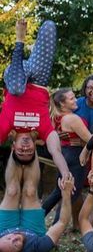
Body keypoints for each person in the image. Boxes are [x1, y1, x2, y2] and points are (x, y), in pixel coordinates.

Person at [1, 19, 72, 181]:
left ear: (13, 147)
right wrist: (66, 174)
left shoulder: (5, 126)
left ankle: (20, 40)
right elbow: (56, 152)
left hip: (15, 75)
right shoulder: (44, 128)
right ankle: (33, 51)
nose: (25, 147)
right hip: (39, 78)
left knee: (17, 88)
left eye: (21, 151)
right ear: (34, 147)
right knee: (49, 26)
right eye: (29, 151)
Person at [0, 139, 74, 252]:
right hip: (32, 228)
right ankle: (31, 144)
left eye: (8, 238)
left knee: (12, 191)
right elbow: (62, 222)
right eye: (15, 244)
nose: (14, 237)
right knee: (30, 191)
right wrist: (66, 195)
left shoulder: (4, 236)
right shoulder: (38, 246)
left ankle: (18, 142)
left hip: (4, 226)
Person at [41, 88, 93, 226]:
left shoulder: (55, 118)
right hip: (75, 157)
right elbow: (91, 140)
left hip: (63, 156)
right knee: (70, 195)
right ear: (63, 104)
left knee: (58, 192)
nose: (76, 100)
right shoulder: (72, 118)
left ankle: (34, 221)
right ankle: (55, 229)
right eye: (72, 98)